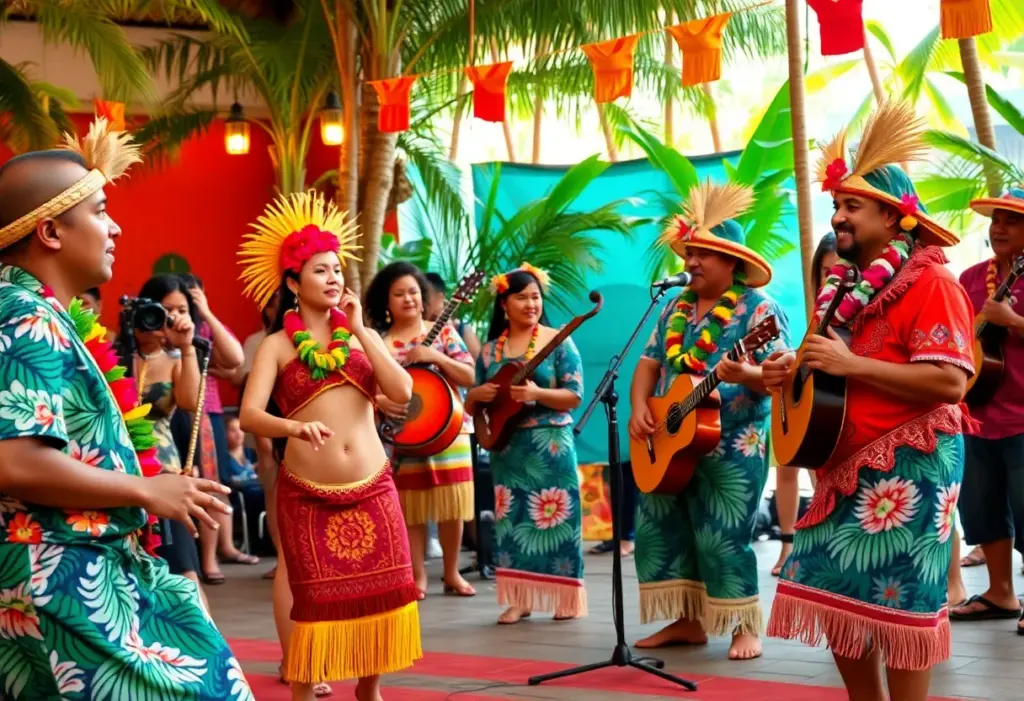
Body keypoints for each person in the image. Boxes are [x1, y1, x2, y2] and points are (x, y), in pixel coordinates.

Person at [0, 119, 250, 697]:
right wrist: (147, 489)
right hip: (60, 576)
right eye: (99, 211)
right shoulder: (25, 316)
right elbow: (14, 462)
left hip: (79, 568)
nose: (115, 227)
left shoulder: (41, 314)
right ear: (51, 232)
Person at [764, 101, 975, 701]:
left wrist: (851, 363)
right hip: (842, 467)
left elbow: (950, 384)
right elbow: (829, 379)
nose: (838, 218)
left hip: (910, 469)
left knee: (899, 615)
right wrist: (787, 372)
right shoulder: (847, 289)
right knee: (840, 604)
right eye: (836, 206)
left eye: (851, 207)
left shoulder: (932, 282)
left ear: (894, 216)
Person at [239, 191, 420, 701]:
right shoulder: (277, 346)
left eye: (337, 269)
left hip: (372, 484)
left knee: (386, 590)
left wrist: (361, 328)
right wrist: (293, 429)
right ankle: (302, 690)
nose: (334, 278)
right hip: (306, 491)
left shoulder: (360, 337)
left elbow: (401, 392)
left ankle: (369, 687)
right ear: (294, 283)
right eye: (320, 271)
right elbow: (252, 414)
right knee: (311, 599)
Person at [628, 181, 789, 661]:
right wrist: (640, 407)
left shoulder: (759, 310)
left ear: (733, 262)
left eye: (704, 255)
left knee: (722, 533)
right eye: (690, 253)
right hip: (667, 433)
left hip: (734, 440)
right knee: (664, 527)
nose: (692, 263)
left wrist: (749, 374)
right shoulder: (673, 308)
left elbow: (784, 375)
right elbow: (648, 365)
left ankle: (743, 625)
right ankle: (687, 621)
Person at [465, 263, 588, 625]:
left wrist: (538, 393)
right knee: (512, 523)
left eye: (535, 296)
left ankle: (565, 597)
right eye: (521, 297)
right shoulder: (489, 352)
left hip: (551, 445)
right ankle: (519, 599)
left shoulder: (558, 339)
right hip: (508, 448)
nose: (531, 304)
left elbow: (575, 395)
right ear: (504, 304)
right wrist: (475, 394)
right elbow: (474, 406)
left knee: (559, 519)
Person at [365, 262, 477, 598]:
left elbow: (470, 376)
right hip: (405, 433)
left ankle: (451, 572)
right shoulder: (380, 343)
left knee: (452, 505)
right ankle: (418, 576)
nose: (408, 299)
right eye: (398, 294)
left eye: (413, 292)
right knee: (412, 507)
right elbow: (369, 389)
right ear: (386, 302)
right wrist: (382, 401)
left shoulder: (443, 332)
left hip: (450, 429)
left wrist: (435, 357)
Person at [949, 186, 1024, 631]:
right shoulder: (971, 279)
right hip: (977, 411)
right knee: (981, 506)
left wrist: (1013, 322)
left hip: (1022, 415)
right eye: (995, 219)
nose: (998, 227)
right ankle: (1001, 592)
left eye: (1011, 219)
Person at [129, 274, 206, 595]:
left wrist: (187, 349)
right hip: (121, 474)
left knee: (184, 570)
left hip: (166, 474)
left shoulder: (177, 361)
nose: (171, 317)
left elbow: (190, 402)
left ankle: (207, 644)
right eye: (165, 309)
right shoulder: (114, 353)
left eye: (180, 310)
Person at [179, 273, 255, 583]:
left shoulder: (206, 327)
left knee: (212, 483)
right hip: (172, 413)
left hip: (205, 412)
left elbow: (235, 360)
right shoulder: (166, 325)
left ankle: (212, 559)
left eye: (196, 295)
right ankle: (193, 559)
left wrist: (206, 310)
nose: (191, 302)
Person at [770, 233, 835, 577]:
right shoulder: (819, 311)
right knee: (788, 463)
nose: (833, 279)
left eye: (840, 270)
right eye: (826, 272)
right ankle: (788, 542)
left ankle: (954, 580)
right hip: (811, 396)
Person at [425, 271, 482, 359]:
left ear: (440, 296)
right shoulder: (413, 327)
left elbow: (477, 368)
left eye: (425, 296)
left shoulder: (462, 329)